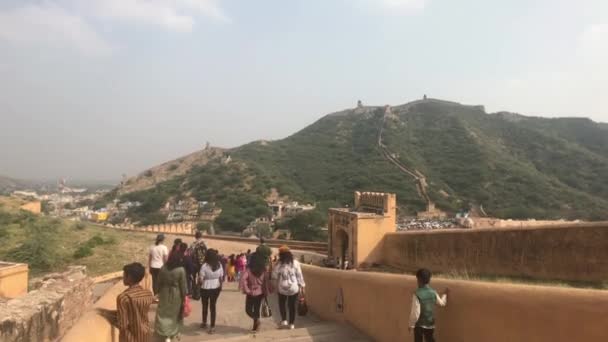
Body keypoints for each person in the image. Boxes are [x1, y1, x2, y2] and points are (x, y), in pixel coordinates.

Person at [154, 244, 188, 342]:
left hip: (164, 293)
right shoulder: (180, 270)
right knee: (174, 314)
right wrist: (184, 296)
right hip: (176, 294)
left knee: (163, 313)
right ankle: (171, 334)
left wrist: (158, 292)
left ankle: (163, 333)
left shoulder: (163, 268)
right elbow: (183, 286)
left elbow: (158, 282)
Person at [116, 262, 155, 342]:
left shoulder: (123, 298)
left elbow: (122, 325)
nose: (123, 278)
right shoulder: (148, 294)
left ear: (129, 277)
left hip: (130, 337)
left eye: (124, 275)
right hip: (145, 335)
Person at [408, 268, 449, 342]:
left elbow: (415, 312)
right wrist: (445, 294)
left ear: (419, 280)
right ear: (429, 280)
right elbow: (442, 303)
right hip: (430, 324)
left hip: (419, 325)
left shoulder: (417, 294)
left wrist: (411, 324)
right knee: (430, 339)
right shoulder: (433, 293)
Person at [272, 246, 305, 330]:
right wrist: (302, 286)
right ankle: (292, 324)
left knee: (282, 304)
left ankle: (284, 320)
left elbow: (274, 276)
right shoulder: (295, 263)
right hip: (294, 288)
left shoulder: (279, 264)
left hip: (282, 287)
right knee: (292, 306)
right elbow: (299, 276)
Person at [240, 252, 272, 332]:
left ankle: (256, 324)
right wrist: (266, 292)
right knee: (257, 309)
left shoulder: (248, 270)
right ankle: (256, 324)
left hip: (250, 292)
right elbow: (266, 282)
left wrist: (247, 289)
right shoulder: (264, 270)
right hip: (260, 292)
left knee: (248, 310)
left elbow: (243, 279)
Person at [199, 249, 224, 334]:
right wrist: (221, 286)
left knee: (205, 305)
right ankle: (212, 326)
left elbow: (201, 279)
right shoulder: (219, 265)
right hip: (216, 287)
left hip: (205, 287)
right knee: (213, 307)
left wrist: (198, 283)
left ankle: (204, 322)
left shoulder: (204, 266)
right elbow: (221, 277)